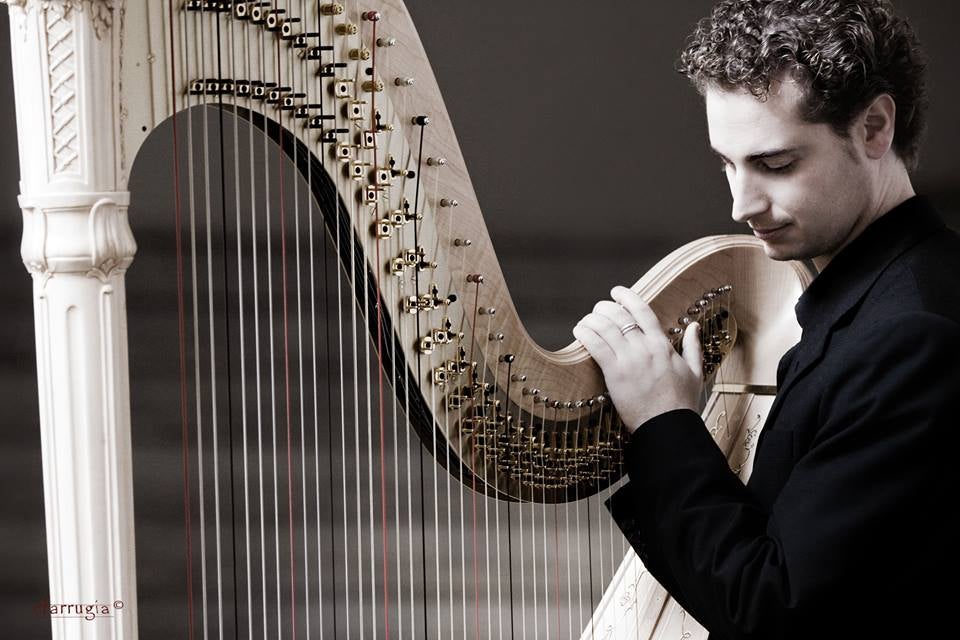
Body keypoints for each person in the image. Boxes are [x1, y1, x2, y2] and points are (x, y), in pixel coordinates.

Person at [572, 1, 960, 638]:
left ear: (875, 128)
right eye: (727, 163)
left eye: (775, 165)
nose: (740, 204)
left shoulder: (912, 337)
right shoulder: (877, 302)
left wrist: (664, 424)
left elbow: (775, 609)